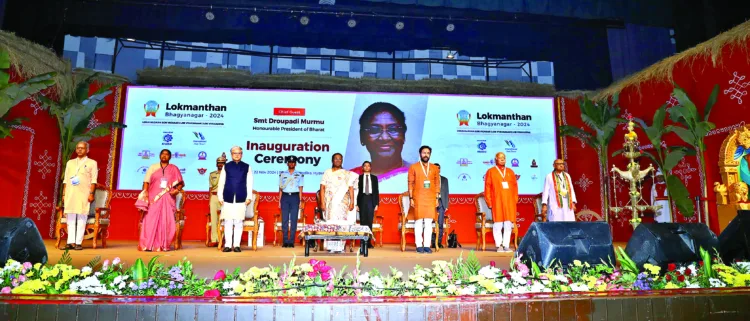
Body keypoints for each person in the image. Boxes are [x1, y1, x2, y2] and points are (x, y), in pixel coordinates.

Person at [138, 149, 184, 252]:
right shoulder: (153, 167)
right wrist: (145, 194)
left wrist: (177, 190)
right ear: (159, 156)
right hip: (153, 197)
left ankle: (163, 245)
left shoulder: (174, 168)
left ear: (170, 157)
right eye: (162, 154)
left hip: (168, 197)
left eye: (167, 154)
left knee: (165, 220)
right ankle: (147, 245)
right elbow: (146, 182)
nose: (164, 156)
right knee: (150, 220)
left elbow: (181, 183)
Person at [351, 102, 412, 180]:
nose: (384, 138)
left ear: (403, 134)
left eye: (393, 129)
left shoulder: (416, 174)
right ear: (362, 136)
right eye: (374, 130)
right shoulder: (351, 177)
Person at [61, 141, 98, 250]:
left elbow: (94, 180)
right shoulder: (70, 163)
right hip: (70, 193)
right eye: (78, 148)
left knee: (82, 217)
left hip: (84, 193)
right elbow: (66, 179)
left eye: (82, 148)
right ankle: (70, 242)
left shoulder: (92, 163)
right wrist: (64, 194)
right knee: (70, 218)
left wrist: (91, 193)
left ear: (87, 150)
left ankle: (78, 243)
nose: (79, 150)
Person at [218, 146, 254, 253]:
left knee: (238, 221)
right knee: (228, 221)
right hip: (228, 197)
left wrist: (249, 197)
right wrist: (220, 196)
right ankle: (228, 245)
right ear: (231, 154)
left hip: (241, 197)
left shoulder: (247, 167)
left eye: (239, 153)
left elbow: (249, 183)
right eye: (235, 153)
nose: (237, 155)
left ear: (241, 154)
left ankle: (237, 245)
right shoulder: (226, 166)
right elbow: (222, 182)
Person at [320, 153, 357, 253]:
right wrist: (322, 203)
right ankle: (331, 247)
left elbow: (350, 188)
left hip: (342, 203)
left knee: (341, 223)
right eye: (335, 159)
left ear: (342, 161)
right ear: (332, 160)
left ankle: (340, 246)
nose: (337, 160)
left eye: (339, 159)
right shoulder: (327, 172)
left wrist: (352, 202)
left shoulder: (346, 173)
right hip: (330, 203)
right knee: (331, 223)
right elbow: (322, 188)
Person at [407, 145, 440, 254]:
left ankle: (426, 245)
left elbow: (437, 184)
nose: (426, 154)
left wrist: (436, 198)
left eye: (428, 153)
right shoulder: (414, 167)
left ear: (430, 155)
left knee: (429, 223)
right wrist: (411, 197)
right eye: (424, 152)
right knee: (419, 222)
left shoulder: (434, 168)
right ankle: (419, 245)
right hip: (418, 198)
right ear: (420, 154)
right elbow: (410, 183)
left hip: (430, 198)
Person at [483, 152, 518, 252]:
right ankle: (499, 245)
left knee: (508, 224)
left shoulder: (510, 171)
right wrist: (489, 202)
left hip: (509, 202)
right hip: (497, 201)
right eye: (500, 158)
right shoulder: (491, 171)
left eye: (504, 158)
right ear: (496, 159)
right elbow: (487, 188)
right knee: (498, 223)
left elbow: (515, 187)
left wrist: (514, 199)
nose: (502, 159)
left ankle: (506, 245)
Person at [279, 156, 304, 248]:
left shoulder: (299, 174)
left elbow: (301, 188)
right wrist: (279, 201)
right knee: (284, 220)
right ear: (287, 163)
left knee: (293, 220)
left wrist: (300, 200)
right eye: (290, 162)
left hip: (295, 197)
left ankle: (291, 241)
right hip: (285, 197)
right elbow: (280, 188)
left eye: (293, 162)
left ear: (295, 164)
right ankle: (285, 241)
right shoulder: (282, 174)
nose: (291, 163)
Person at [357, 161, 379, 249]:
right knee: (362, 221)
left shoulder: (374, 178)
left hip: (371, 199)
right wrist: (356, 204)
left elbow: (376, 191)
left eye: (368, 166)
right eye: (365, 166)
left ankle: (368, 242)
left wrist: (376, 203)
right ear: (362, 168)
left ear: (370, 168)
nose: (366, 167)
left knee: (369, 221)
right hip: (362, 199)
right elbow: (357, 191)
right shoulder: (359, 177)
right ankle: (362, 242)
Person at [207, 153, 227, 247]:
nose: (220, 164)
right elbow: (210, 189)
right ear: (216, 164)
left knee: (224, 219)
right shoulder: (212, 174)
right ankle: (214, 239)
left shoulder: (229, 174)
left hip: (225, 197)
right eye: (218, 163)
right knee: (214, 219)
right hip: (214, 197)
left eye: (222, 163)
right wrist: (209, 200)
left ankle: (222, 239)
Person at [434, 163, 449, 248]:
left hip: (442, 202)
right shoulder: (429, 179)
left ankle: (438, 242)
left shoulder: (444, 179)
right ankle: (432, 242)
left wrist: (446, 205)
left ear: (440, 169)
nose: (437, 170)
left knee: (440, 223)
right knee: (431, 223)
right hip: (432, 203)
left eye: (438, 168)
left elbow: (446, 192)